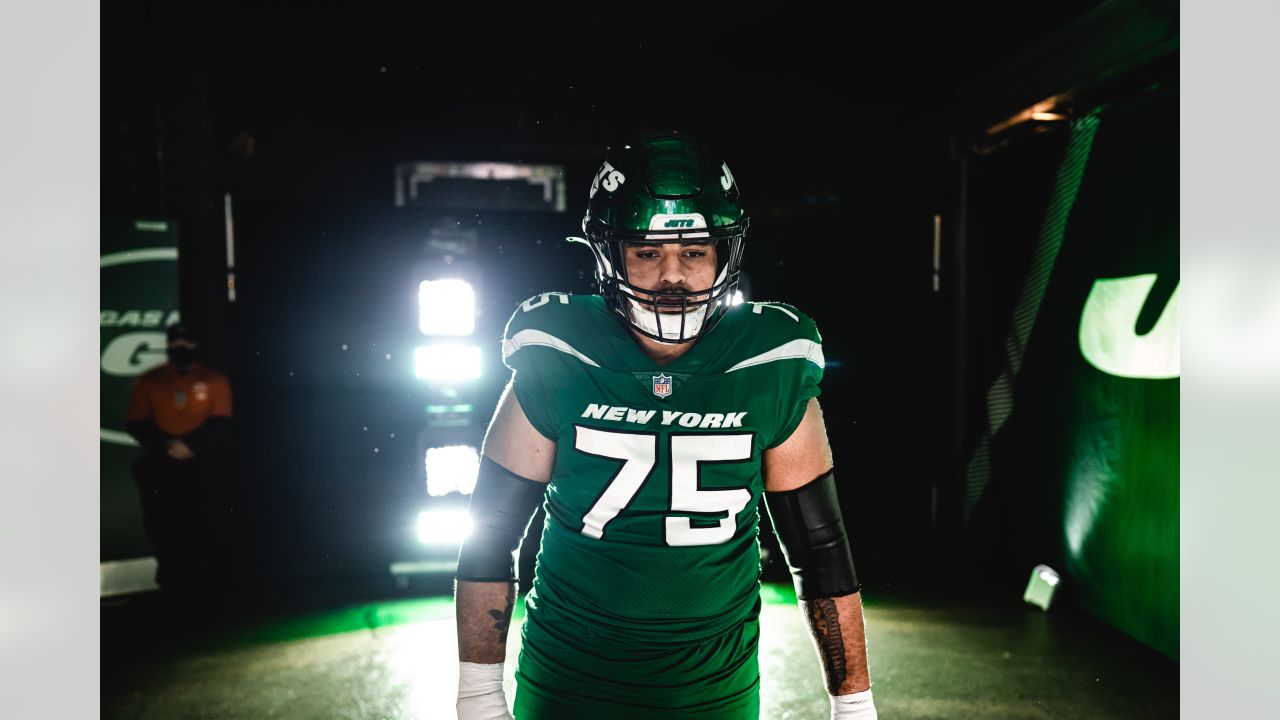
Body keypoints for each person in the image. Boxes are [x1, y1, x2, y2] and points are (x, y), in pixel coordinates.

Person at [455, 131, 876, 719]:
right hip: (568, 684)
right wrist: (477, 695)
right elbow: (490, 535)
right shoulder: (558, 352)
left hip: (715, 691)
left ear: (724, 254)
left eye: (694, 252)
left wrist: (853, 704)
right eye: (648, 253)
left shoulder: (770, 359)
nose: (672, 276)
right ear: (610, 255)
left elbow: (821, 551)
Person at [125, 323, 233, 593]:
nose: (180, 347)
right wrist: (167, 446)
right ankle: (171, 582)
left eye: (186, 343)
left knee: (206, 521)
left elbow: (220, 421)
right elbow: (136, 422)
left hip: (203, 463)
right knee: (162, 523)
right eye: (175, 343)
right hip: (163, 464)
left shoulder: (214, 379)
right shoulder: (150, 380)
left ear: (196, 345)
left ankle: (208, 581)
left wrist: (191, 445)